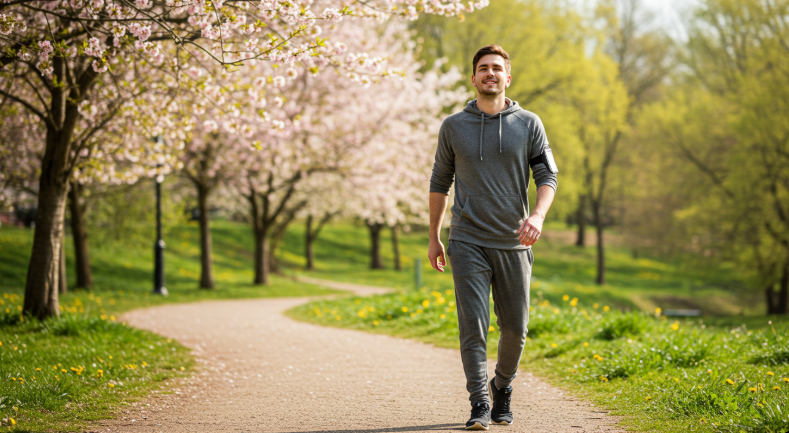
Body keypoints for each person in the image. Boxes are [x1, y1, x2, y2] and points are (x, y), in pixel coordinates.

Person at [427, 44, 558, 430]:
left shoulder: (529, 123)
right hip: (466, 238)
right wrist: (435, 236)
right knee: (473, 325)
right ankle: (479, 403)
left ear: (507, 77)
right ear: (473, 78)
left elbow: (547, 177)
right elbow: (440, 181)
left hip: (515, 241)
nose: (490, 73)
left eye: (497, 68)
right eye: (483, 68)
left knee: (516, 331)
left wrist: (537, 214)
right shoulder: (453, 126)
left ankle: (501, 386)